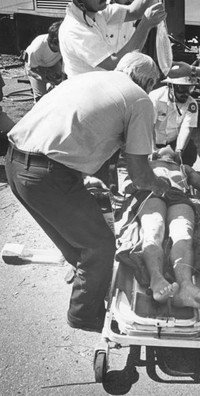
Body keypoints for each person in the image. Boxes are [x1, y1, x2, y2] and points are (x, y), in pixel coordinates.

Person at [5, 52, 170, 333]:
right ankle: (84, 316)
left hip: (15, 164)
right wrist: (159, 185)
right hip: (48, 176)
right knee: (99, 245)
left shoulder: (93, 78)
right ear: (149, 82)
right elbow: (140, 174)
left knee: (76, 241)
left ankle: (92, 285)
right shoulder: (140, 98)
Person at [118, 145, 200, 310]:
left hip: (178, 196)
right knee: (154, 228)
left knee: (184, 234)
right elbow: (127, 186)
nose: (167, 146)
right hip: (150, 192)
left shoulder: (184, 168)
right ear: (154, 153)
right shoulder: (145, 163)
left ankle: (185, 287)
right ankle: (156, 278)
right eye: (162, 146)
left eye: (171, 147)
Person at [149, 76, 199, 167]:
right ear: (171, 87)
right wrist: (153, 149)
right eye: (182, 88)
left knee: (190, 151)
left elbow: (186, 129)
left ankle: (182, 173)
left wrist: (179, 152)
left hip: (173, 141)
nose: (186, 93)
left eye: (190, 89)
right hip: (153, 140)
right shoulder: (155, 97)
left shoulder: (192, 104)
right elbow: (149, 126)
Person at [24, 21, 64, 102]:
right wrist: (47, 80)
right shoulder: (36, 49)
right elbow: (32, 70)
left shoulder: (65, 43)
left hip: (53, 62)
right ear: (54, 42)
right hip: (35, 67)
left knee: (62, 89)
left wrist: (61, 79)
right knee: (41, 98)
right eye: (62, 44)